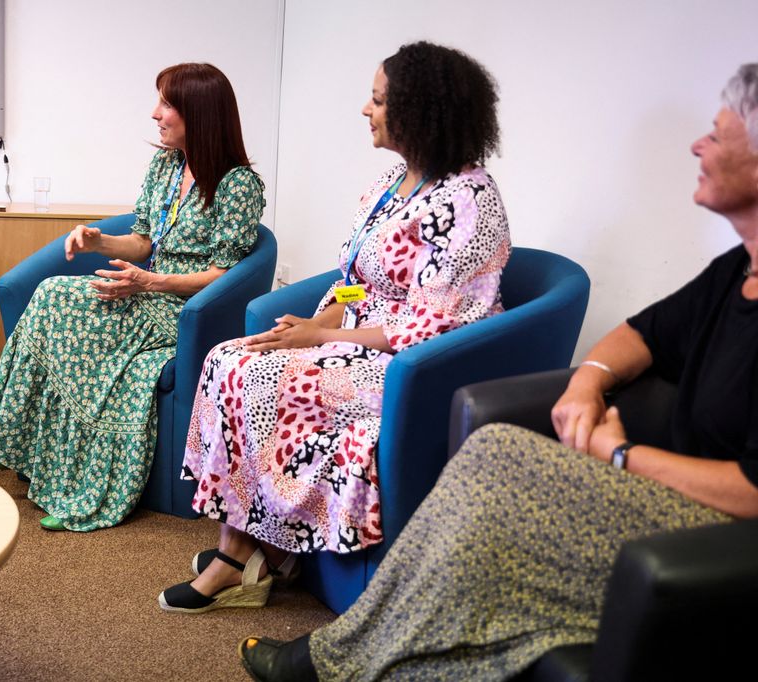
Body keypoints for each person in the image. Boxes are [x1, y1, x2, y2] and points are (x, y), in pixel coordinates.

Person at [236, 63, 758, 681]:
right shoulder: (735, 272)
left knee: (491, 508)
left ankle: (331, 661)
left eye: (719, 137)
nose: (698, 145)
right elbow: (641, 334)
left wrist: (621, 457)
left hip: (716, 528)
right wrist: (588, 380)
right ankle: (325, 629)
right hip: (657, 483)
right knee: (492, 450)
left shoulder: (471, 199)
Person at [159, 41, 511, 614]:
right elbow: (356, 282)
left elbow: (430, 322)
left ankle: (238, 558)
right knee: (231, 356)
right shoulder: (394, 183)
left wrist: (322, 338)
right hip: (353, 338)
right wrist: (317, 319)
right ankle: (259, 546)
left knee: (269, 379)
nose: (365, 111)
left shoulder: (468, 201)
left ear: (421, 112)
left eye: (376, 101)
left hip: (409, 364)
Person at [0, 63, 265, 532]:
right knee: (52, 294)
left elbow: (225, 274)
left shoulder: (237, 185)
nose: (154, 113)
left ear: (199, 114)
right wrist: (97, 240)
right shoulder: (166, 165)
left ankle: (0, 441)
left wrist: (150, 282)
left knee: (58, 302)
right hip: (146, 290)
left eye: (166, 104)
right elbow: (143, 240)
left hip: (183, 310)